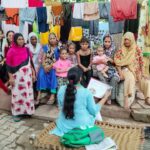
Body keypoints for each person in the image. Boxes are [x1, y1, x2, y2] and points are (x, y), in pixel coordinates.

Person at [50, 67, 111, 136]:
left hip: (64, 125)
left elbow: (61, 107)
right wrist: (105, 97)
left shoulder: (61, 89)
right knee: (96, 111)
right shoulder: (86, 92)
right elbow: (93, 111)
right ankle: (101, 127)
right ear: (80, 78)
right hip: (81, 126)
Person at [6, 33, 36, 122]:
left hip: (27, 77)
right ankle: (16, 113)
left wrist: (34, 74)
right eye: (19, 39)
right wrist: (10, 78)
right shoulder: (11, 51)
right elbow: (8, 66)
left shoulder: (27, 49)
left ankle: (27, 112)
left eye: (22, 39)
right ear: (15, 40)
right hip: (17, 78)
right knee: (17, 95)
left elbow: (31, 63)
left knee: (28, 93)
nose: (21, 41)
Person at [114, 32, 143, 109]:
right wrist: (120, 73)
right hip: (124, 69)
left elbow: (141, 62)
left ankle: (147, 97)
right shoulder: (121, 50)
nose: (126, 41)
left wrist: (142, 72)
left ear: (132, 40)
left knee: (145, 81)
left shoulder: (137, 49)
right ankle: (126, 98)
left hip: (135, 70)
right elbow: (117, 62)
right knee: (129, 77)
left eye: (128, 40)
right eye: (125, 39)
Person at [36, 33, 59, 105]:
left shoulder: (59, 47)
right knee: (41, 73)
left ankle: (52, 95)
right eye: (50, 38)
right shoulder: (46, 47)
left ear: (56, 39)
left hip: (55, 65)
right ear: (48, 40)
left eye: (53, 38)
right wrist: (45, 66)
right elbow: (43, 58)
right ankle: (40, 94)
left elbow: (60, 59)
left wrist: (51, 66)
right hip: (46, 64)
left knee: (53, 74)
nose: (52, 40)